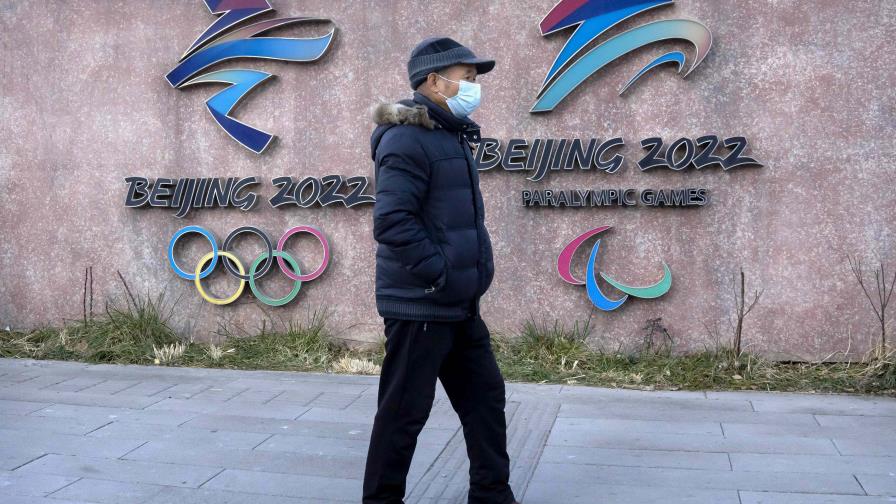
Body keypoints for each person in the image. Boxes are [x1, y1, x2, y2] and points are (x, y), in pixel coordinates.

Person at [362, 37, 520, 504]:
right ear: (434, 81)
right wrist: (441, 274)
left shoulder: (450, 135)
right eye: (467, 79)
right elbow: (392, 222)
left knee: (485, 400)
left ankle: (492, 494)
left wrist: (467, 278)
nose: (473, 87)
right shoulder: (406, 139)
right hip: (421, 304)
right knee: (404, 413)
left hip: (459, 303)